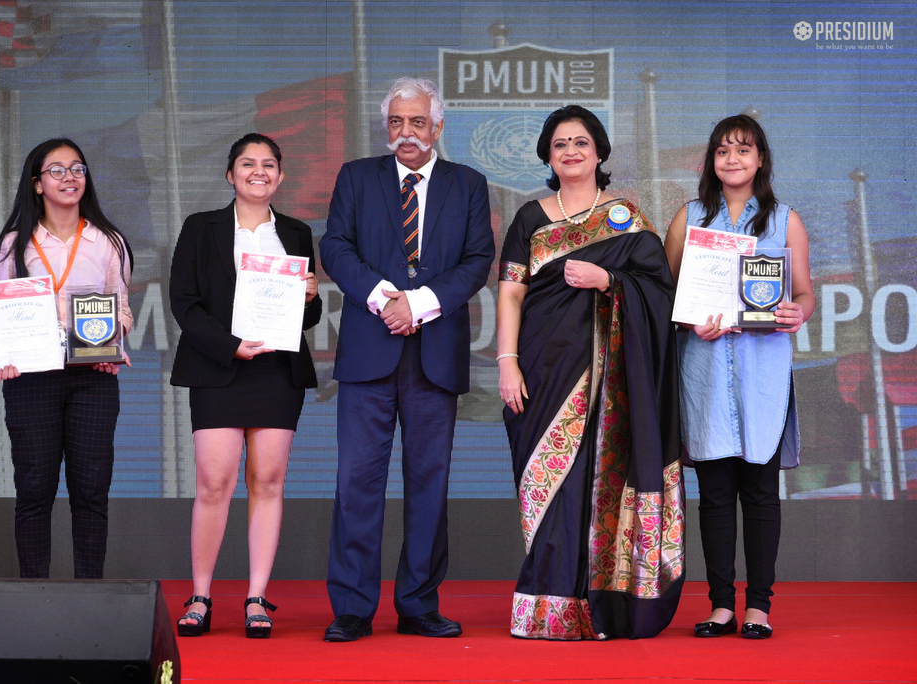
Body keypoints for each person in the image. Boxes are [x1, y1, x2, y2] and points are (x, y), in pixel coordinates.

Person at [497, 106, 684, 640]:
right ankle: (548, 603)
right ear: (547, 156)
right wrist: (507, 362)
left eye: (581, 142)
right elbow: (511, 294)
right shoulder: (530, 217)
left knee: (595, 483)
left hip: (611, 382)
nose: (571, 152)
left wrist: (609, 280)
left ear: (599, 152)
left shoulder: (627, 218)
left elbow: (662, 294)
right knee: (546, 484)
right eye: (560, 144)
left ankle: (602, 606)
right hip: (540, 371)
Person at [318, 76, 494, 642]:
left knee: (429, 485)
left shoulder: (468, 184)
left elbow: (478, 260)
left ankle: (418, 604)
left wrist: (417, 304)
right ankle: (352, 607)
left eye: (417, 122)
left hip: (434, 356)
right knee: (357, 483)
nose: (406, 132)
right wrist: (383, 299)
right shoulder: (357, 177)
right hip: (368, 353)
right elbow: (335, 246)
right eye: (396, 122)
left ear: (437, 127)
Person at [664, 115, 813, 640]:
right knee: (715, 496)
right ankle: (721, 605)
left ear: (760, 159)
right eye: (723, 150)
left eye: (743, 149)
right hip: (703, 373)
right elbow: (665, 292)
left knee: (761, 494)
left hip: (761, 375)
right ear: (711, 161)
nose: (732, 159)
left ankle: (759, 607)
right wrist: (687, 319)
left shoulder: (784, 220)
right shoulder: (689, 216)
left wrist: (797, 312)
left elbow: (804, 293)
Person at [169, 133, 321, 639]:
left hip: (276, 372)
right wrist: (230, 344)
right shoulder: (201, 227)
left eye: (269, 164)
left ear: (281, 175)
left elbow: (307, 317)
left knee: (268, 482)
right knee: (214, 483)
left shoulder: (297, 232)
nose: (260, 172)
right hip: (218, 368)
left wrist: (311, 297)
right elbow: (184, 302)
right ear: (230, 174)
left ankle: (257, 597)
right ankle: (200, 595)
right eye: (248, 164)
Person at [0, 138, 133, 579]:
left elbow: (123, 309)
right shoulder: (15, 244)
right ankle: (35, 595)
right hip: (32, 380)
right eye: (57, 170)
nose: (69, 177)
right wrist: (6, 355)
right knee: (35, 489)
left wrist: (111, 341)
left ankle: (90, 593)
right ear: (37, 184)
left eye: (77, 169)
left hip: (93, 378)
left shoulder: (108, 241)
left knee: (91, 490)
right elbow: (3, 310)